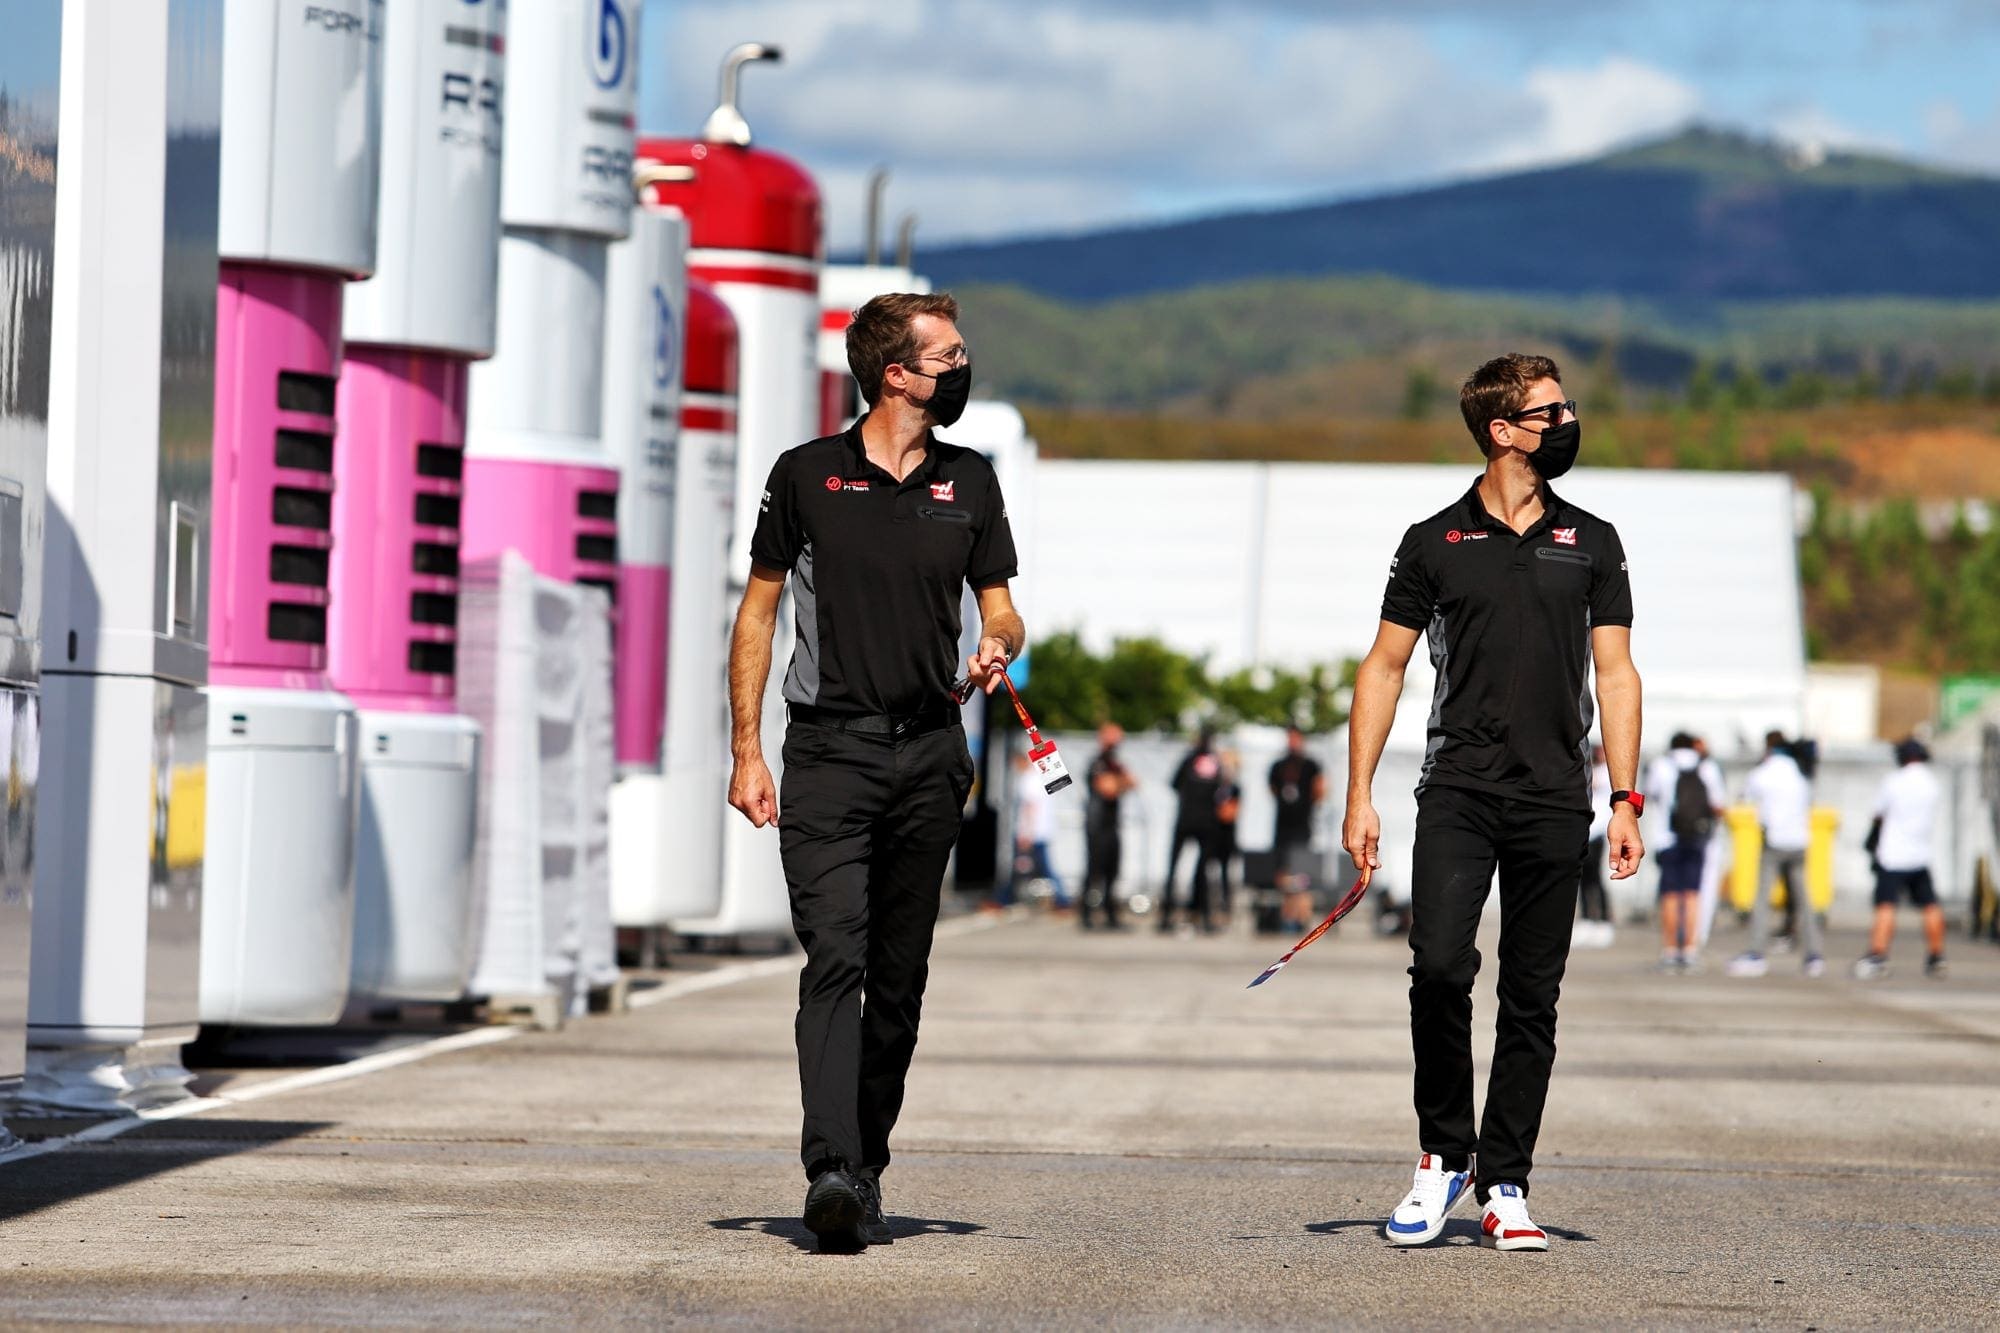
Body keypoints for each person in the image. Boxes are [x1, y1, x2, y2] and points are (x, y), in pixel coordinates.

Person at [727, 291, 1025, 1252]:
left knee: (899, 979)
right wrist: (747, 747)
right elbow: (758, 615)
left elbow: (1004, 608)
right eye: (946, 354)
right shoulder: (807, 476)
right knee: (837, 960)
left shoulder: (971, 481)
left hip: (933, 751)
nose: (961, 366)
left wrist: (997, 640)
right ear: (894, 372)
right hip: (829, 750)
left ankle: (866, 1166)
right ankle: (828, 1167)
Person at [1345, 353, 1644, 1254]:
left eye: (1567, 408)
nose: (1567, 423)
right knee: (1438, 966)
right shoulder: (1433, 540)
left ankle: (1506, 1179)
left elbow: (1617, 672)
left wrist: (1625, 797)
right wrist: (1358, 794)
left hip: (1558, 797)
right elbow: (1384, 666)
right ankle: (1444, 1157)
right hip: (1459, 791)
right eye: (1550, 413)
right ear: (1501, 430)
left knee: (1531, 995)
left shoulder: (1593, 539)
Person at [1727, 732, 1822, 978]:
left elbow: (1744, 797)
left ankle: (1756, 953)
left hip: (1774, 842)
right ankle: (1813, 955)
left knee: (1762, 899)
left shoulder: (1763, 773)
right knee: (1804, 900)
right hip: (1799, 842)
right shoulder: (1801, 773)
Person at [1855, 738, 1947, 980]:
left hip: (1893, 855)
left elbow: (1878, 815)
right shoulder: (1931, 783)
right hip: (1920, 854)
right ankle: (1937, 956)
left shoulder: (1894, 782)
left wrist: (1871, 841)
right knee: (1930, 905)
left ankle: (1878, 954)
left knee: (1886, 905)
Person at [1643, 732, 1723, 972]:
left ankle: (1669, 949)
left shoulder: (1661, 765)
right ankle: (1689, 948)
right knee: (1691, 894)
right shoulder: (1707, 767)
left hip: (1666, 838)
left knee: (1670, 894)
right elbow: (1718, 805)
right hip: (1697, 838)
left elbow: (1649, 794)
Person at [1161, 729, 1223, 934]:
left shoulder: (1190, 760)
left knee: (1180, 869)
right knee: (1200, 871)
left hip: (1189, 819)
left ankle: (1170, 915)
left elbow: (1174, 784)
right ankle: (1200, 916)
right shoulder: (1214, 762)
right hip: (1203, 821)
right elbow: (1222, 791)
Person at [1269, 728, 1327, 932]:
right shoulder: (1278, 766)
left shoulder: (1311, 765)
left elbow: (1320, 790)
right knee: (1283, 872)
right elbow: (1272, 790)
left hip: (1303, 826)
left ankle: (1302, 916)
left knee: (1302, 874)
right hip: (1282, 827)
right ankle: (1287, 915)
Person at [1081, 722, 1136, 930]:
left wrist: (1119, 781)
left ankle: (1110, 915)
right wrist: (1120, 782)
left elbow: (1132, 782)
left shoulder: (1115, 763)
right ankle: (1086, 915)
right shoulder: (1098, 762)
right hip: (1097, 824)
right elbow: (1109, 789)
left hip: (1112, 824)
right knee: (1094, 870)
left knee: (1113, 872)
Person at [1006, 750, 1067, 909]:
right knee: (1029, 867)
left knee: (1038, 867)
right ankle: (1006, 896)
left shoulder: (1028, 780)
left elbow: (1030, 808)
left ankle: (1062, 899)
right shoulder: (1040, 778)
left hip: (1032, 833)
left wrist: (1026, 834)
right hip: (1041, 831)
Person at [1573, 744, 1615, 949]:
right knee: (1582, 878)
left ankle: (1604, 920)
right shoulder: (1590, 769)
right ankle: (1587, 918)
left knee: (1596, 878)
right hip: (1585, 831)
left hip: (1598, 832)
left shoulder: (1608, 773)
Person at [1210, 749, 1243, 927]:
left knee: (1225, 875)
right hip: (1213, 835)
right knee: (1209, 873)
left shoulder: (1235, 788)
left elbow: (1229, 814)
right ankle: (1210, 909)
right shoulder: (1215, 786)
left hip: (1227, 836)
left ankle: (1225, 909)